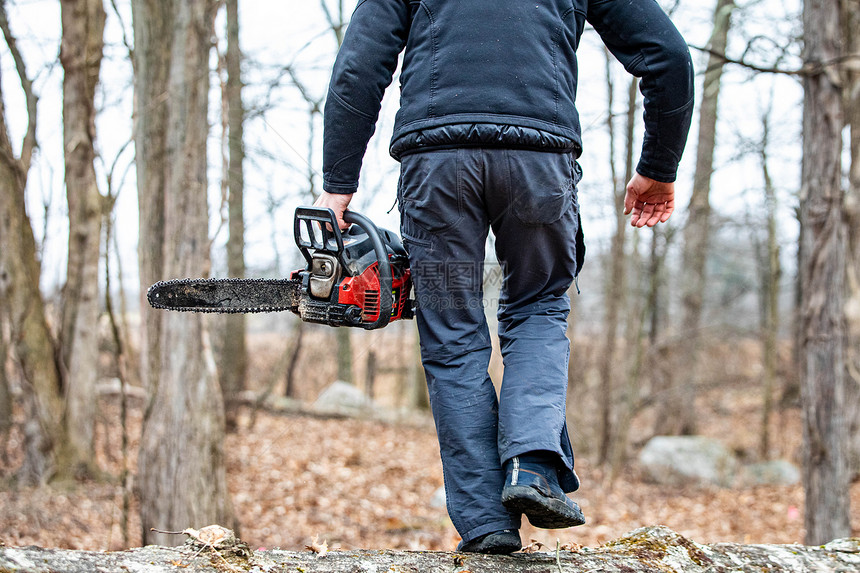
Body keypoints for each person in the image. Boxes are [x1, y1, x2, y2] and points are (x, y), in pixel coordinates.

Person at [315, 0, 694, 554]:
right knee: (538, 305)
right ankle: (532, 468)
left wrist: (338, 181)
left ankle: (486, 523)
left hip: (437, 165)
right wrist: (658, 168)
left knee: (451, 337)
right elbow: (667, 56)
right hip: (539, 162)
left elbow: (359, 64)